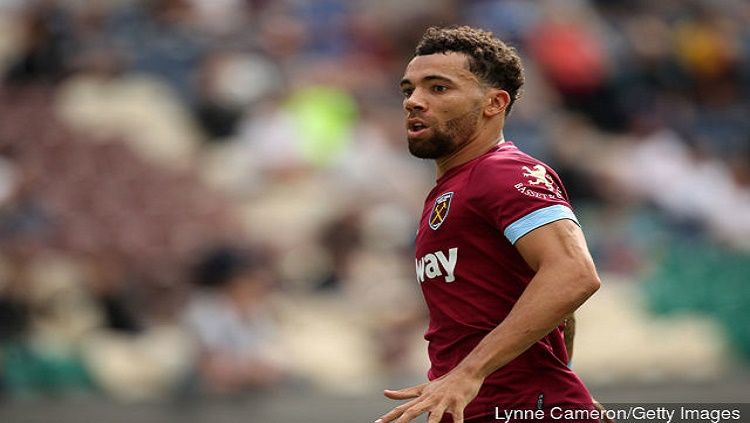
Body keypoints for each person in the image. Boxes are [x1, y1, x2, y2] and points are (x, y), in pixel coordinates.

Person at [376, 26, 605, 423]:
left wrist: (470, 372)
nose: (414, 101)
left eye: (438, 88)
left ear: (494, 103)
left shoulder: (504, 172)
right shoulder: (452, 189)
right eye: (408, 89)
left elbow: (573, 273)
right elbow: (556, 308)